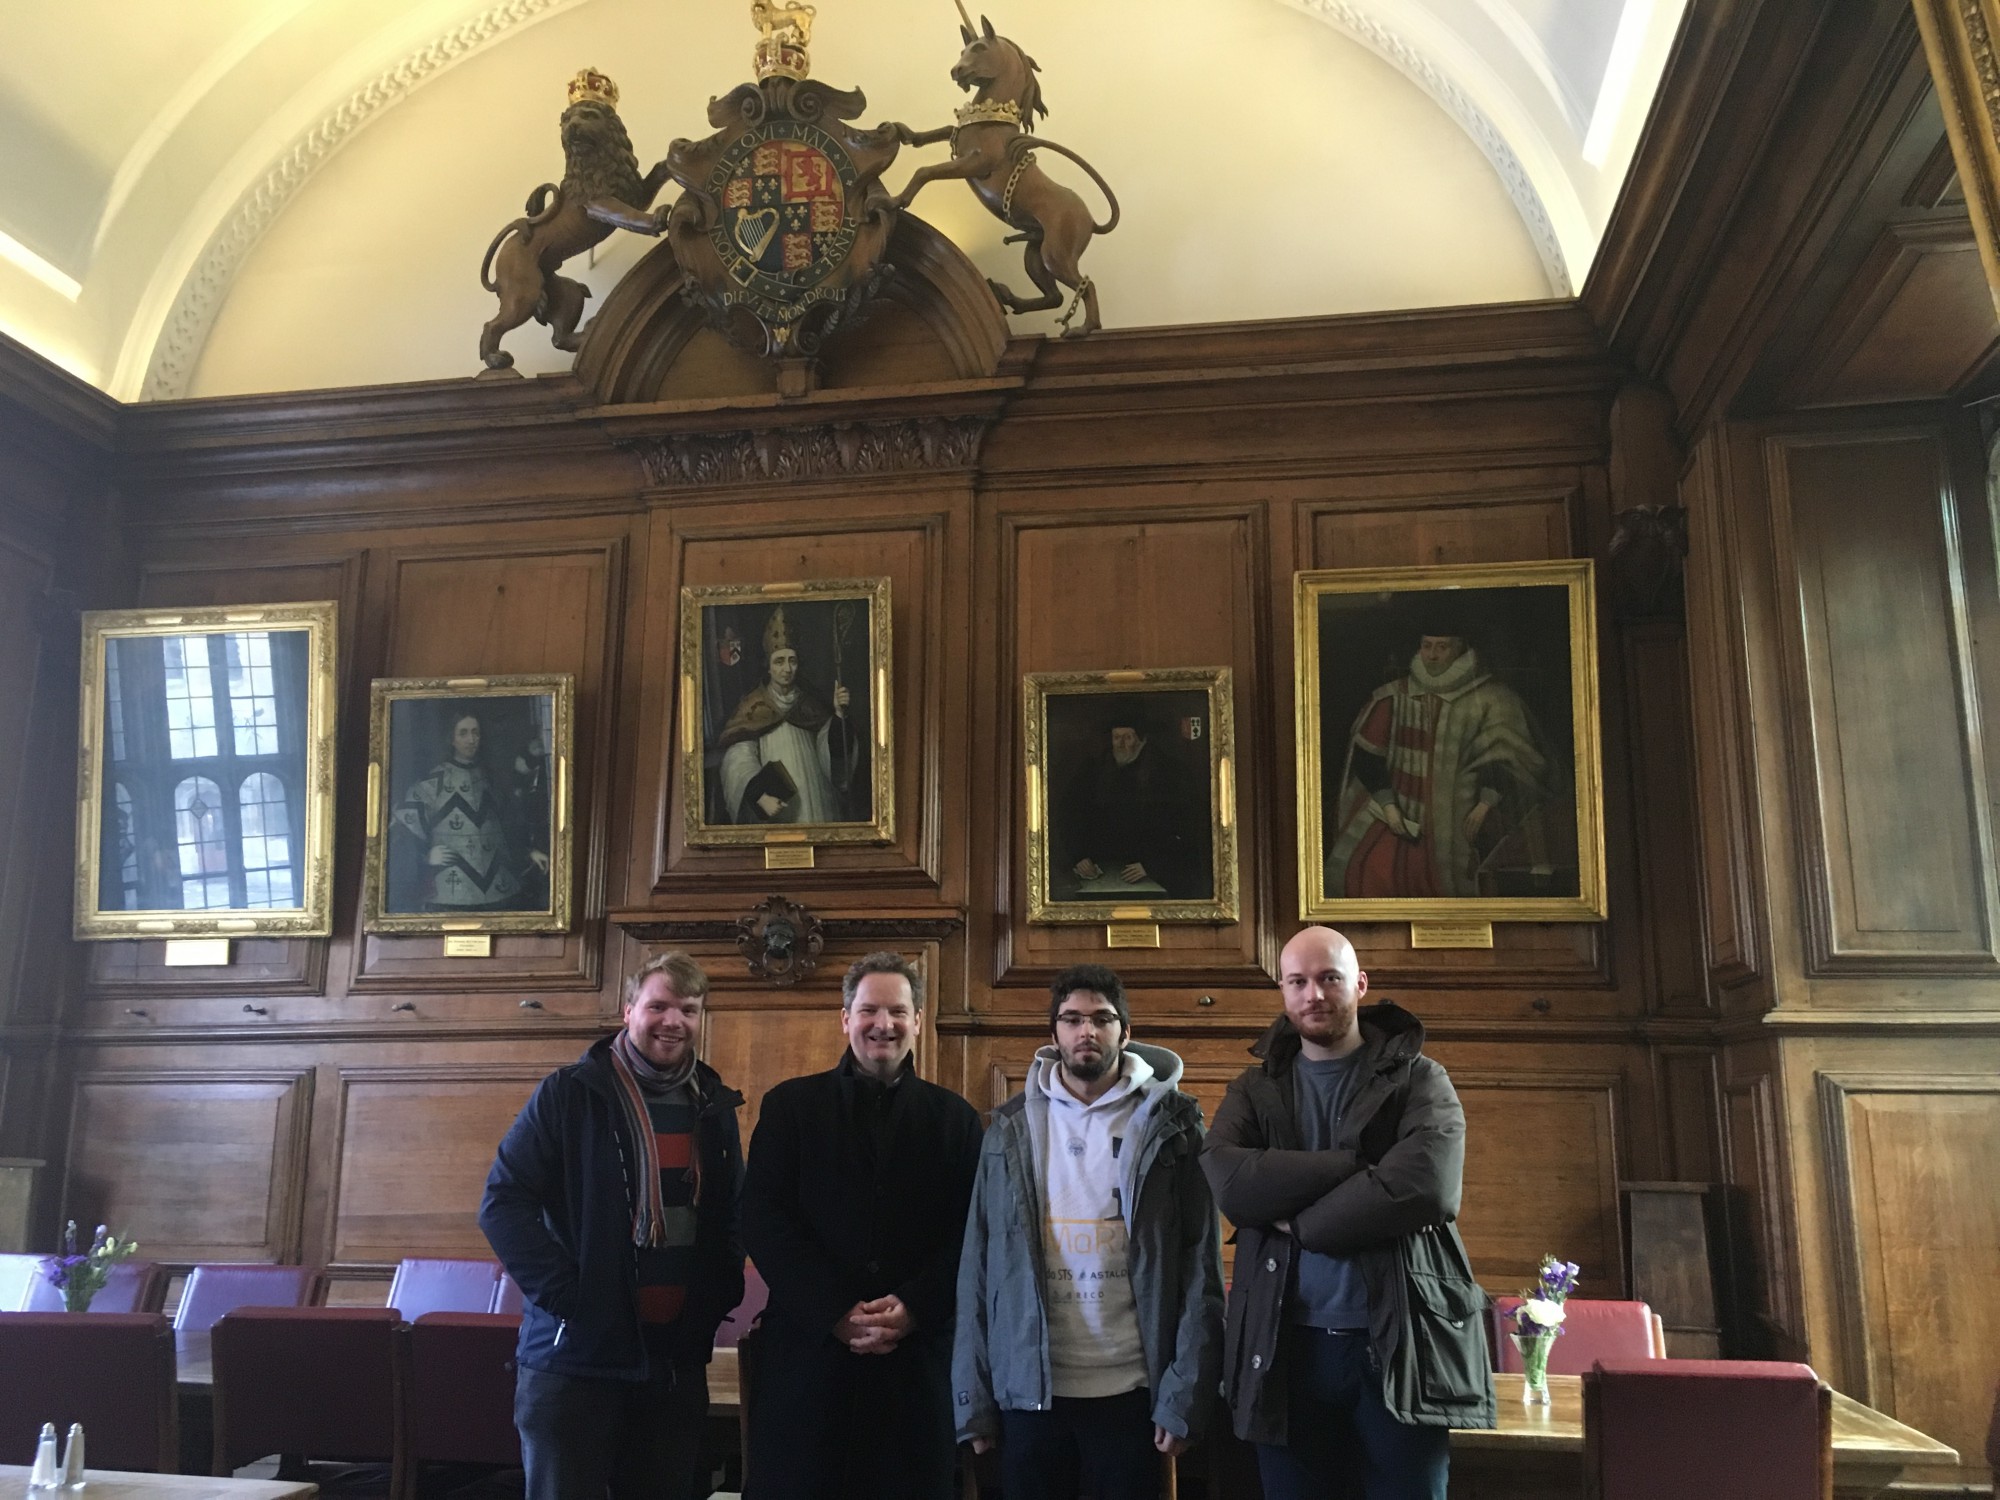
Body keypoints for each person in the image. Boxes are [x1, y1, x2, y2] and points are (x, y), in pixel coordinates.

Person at [1200, 926, 1491, 1500]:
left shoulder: (1420, 1079)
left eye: (1329, 978)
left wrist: (1303, 1225)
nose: (1314, 994)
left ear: (1359, 984)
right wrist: (1353, 1166)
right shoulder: (1254, 1090)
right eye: (1298, 982)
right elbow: (1233, 1186)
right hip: (1284, 1348)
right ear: (1283, 993)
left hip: (1400, 1342)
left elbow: (1427, 1186)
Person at [478, 953, 745, 1500]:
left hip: (673, 1360)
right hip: (575, 1360)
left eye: (689, 1010)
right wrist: (572, 1298)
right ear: (629, 1011)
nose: (674, 1021)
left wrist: (717, 1297)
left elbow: (734, 1213)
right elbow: (503, 1203)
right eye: (659, 1006)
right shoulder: (570, 1093)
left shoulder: (713, 1103)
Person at [953, 964, 1224, 1500]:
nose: (1086, 1032)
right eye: (1072, 1019)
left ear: (1125, 1031)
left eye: (1102, 1019)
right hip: (1030, 1392)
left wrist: (1184, 1395)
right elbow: (977, 1270)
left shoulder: (1175, 1126)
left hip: (1132, 1392)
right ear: (1053, 1033)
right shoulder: (1008, 1128)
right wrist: (973, 1398)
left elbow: (1200, 1269)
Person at [741, 952, 984, 1500]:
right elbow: (763, 1219)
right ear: (844, 1018)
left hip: (915, 1369)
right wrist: (835, 1311)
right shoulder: (790, 1108)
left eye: (898, 1011)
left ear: (918, 1021)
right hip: (808, 1364)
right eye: (869, 1009)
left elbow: (972, 1235)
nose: (884, 1024)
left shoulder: (957, 1120)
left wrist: (914, 1306)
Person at [1322, 624, 1557, 899]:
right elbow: (1368, 759)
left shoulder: (1493, 699)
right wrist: (1389, 808)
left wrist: (1485, 804)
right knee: (1363, 870)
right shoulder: (1391, 697)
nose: (1432, 655)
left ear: (1460, 650)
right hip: (1396, 815)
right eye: (1427, 646)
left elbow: (1513, 761)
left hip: (1464, 817)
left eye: (1442, 647)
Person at [389, 709, 549, 911]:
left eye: (476, 732)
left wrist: (529, 852)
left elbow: (506, 824)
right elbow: (403, 830)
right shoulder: (432, 783)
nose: (471, 739)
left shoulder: (489, 779)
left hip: (498, 888)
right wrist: (425, 857)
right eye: (463, 733)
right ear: (451, 739)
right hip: (447, 893)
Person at [718, 606, 858, 825]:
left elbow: (831, 756)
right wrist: (760, 796)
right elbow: (738, 760)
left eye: (792, 660)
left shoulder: (810, 703)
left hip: (817, 800)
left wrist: (839, 716)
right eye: (779, 661)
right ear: (769, 667)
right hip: (776, 807)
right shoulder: (752, 707)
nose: (787, 668)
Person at [1056, 711, 1208, 899]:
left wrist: (1153, 865)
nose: (1120, 744)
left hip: (1150, 870)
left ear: (1142, 740)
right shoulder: (1094, 769)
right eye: (1116, 737)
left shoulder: (1168, 772)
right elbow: (1069, 815)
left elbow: (1186, 828)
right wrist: (1079, 856)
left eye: (1128, 737)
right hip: (1103, 867)